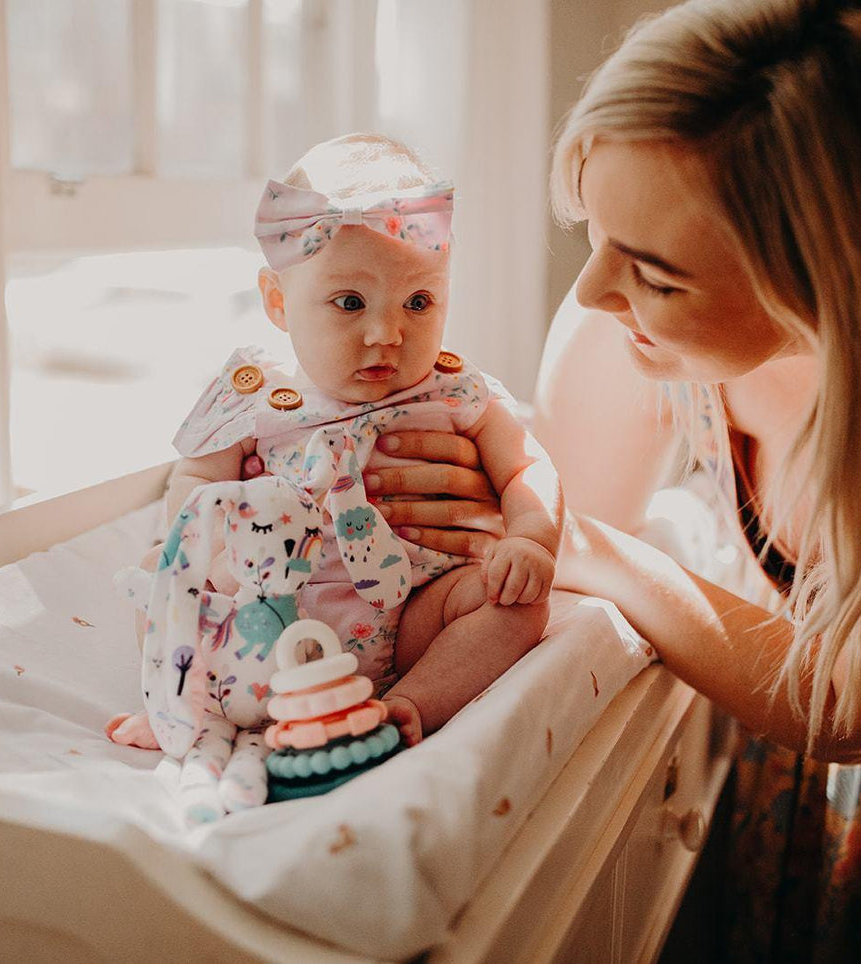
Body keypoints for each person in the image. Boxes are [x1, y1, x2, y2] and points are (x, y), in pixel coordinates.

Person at [370, 0, 861, 959]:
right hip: (801, 754)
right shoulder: (664, 224)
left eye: (654, 275)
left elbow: (860, 701)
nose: (597, 292)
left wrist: (594, 553)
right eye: (595, 233)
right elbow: (570, 497)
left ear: (832, 281)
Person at [106, 133, 560, 761]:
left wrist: (531, 535)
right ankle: (186, 701)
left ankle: (408, 705)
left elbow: (527, 465)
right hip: (262, 613)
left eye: (419, 302)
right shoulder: (254, 390)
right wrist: (215, 557)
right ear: (278, 302)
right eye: (350, 303)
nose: (386, 333)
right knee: (161, 567)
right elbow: (193, 480)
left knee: (519, 607)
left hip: (410, 623)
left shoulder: (456, 390)